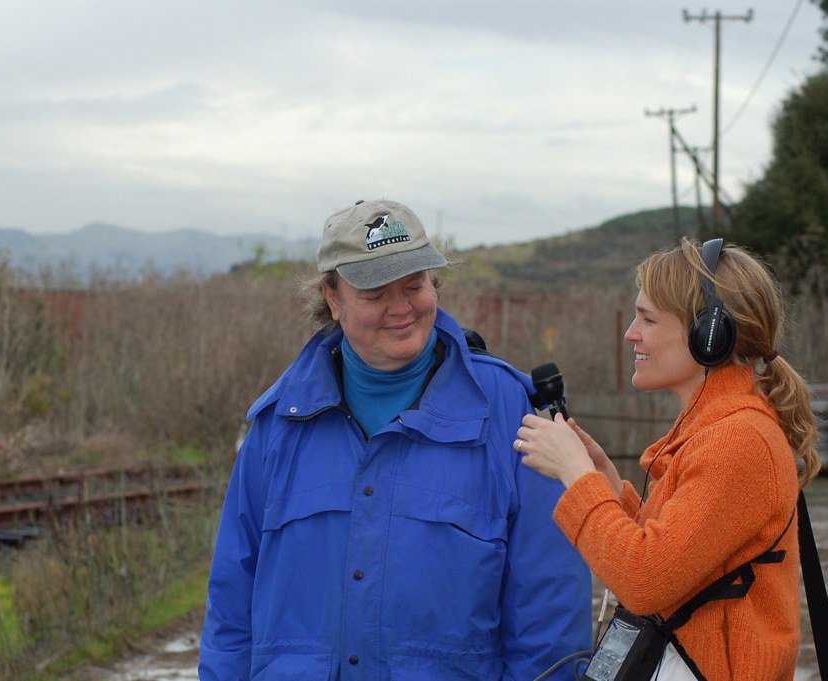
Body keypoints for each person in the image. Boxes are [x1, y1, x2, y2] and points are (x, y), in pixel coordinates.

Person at [199, 198, 592, 680]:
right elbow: (230, 608)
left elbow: (549, 617)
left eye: (414, 285)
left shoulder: (510, 415)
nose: (402, 308)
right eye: (375, 293)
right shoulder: (280, 423)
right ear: (332, 297)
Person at [514, 237, 822, 680]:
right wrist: (605, 482)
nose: (631, 333)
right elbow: (686, 559)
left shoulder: (737, 441)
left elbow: (646, 581)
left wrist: (577, 477)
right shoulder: (716, 428)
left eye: (648, 319)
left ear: (708, 336)